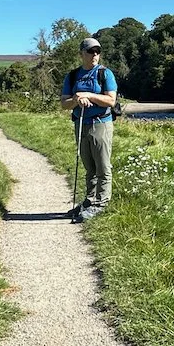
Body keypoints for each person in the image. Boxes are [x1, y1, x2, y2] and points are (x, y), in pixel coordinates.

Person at [60, 37, 118, 222]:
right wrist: (77, 99)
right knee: (89, 166)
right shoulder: (73, 75)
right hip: (80, 123)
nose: (95, 55)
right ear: (81, 54)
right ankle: (90, 201)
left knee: (103, 165)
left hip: (101, 123)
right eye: (90, 51)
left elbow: (111, 100)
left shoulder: (105, 74)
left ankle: (101, 204)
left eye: (97, 51)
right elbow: (64, 104)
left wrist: (89, 96)